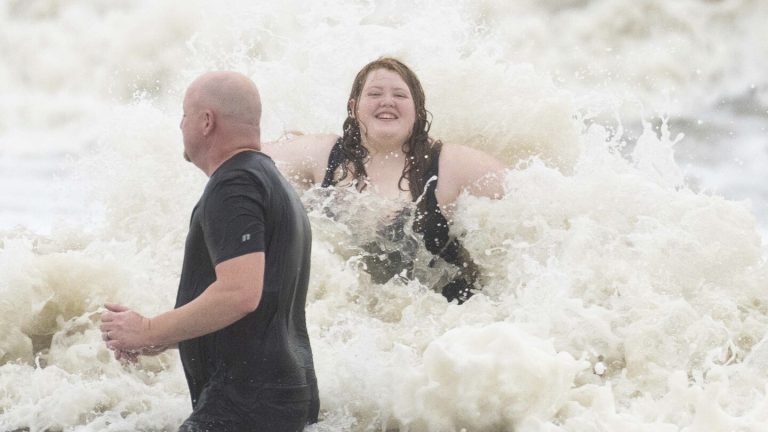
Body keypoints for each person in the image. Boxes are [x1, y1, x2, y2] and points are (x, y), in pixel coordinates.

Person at [100, 71, 319, 431]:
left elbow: (240, 294)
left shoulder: (234, 184)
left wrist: (149, 330)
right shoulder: (270, 181)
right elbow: (259, 311)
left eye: (184, 115)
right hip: (276, 396)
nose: (180, 125)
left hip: (246, 403)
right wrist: (164, 337)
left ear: (206, 121)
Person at [263, 57, 505, 303]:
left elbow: (521, 195)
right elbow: (250, 156)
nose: (387, 101)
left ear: (417, 110)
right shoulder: (323, 154)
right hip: (348, 310)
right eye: (375, 94)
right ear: (353, 107)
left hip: (445, 311)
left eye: (400, 95)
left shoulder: (451, 164)